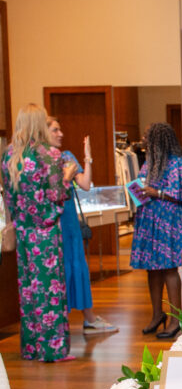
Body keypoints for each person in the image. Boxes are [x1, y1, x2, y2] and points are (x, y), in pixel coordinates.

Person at [2, 104, 76, 361]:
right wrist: (67, 177)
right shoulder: (49, 155)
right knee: (50, 290)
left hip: (23, 232)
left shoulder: (10, 156)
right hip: (45, 233)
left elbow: (9, 197)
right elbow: (57, 195)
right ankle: (53, 349)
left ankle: (31, 347)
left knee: (28, 290)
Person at [46, 117, 118, 333]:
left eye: (60, 129)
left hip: (69, 222)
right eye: (55, 130)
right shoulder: (39, 162)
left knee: (76, 265)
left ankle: (89, 318)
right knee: (57, 269)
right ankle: (59, 320)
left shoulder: (66, 156)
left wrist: (87, 157)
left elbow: (85, 184)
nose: (61, 134)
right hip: (50, 222)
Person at [130, 122, 182, 339]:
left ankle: (176, 319)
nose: (144, 139)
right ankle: (157, 315)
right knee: (152, 269)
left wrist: (156, 192)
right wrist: (137, 191)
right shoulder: (149, 162)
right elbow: (143, 186)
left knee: (169, 269)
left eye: (147, 136)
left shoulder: (177, 162)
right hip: (149, 219)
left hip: (169, 221)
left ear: (158, 139)